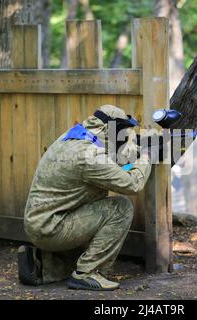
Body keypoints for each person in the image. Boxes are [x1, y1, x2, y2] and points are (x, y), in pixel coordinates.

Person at [18, 104, 151, 291]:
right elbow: (132, 184)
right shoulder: (89, 155)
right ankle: (87, 274)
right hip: (52, 227)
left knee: (94, 212)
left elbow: (109, 159)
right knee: (121, 208)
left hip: (43, 221)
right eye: (121, 132)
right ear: (108, 130)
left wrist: (134, 148)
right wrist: (146, 155)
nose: (123, 137)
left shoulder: (73, 137)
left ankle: (44, 266)